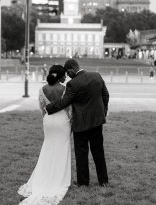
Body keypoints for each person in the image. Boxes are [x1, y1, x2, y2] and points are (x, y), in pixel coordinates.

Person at [45, 59, 109, 187]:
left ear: (72, 69)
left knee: (81, 153)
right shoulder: (96, 76)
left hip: (81, 124)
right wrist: (103, 112)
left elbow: (64, 102)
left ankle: (83, 182)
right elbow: (105, 95)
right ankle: (103, 181)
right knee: (98, 151)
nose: (67, 76)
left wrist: (49, 108)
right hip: (97, 122)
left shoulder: (73, 84)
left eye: (68, 73)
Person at [18, 65, 72, 205]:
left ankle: (44, 176)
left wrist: (47, 120)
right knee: (62, 148)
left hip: (48, 121)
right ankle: (59, 178)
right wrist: (70, 122)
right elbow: (69, 109)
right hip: (62, 121)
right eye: (64, 75)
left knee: (47, 148)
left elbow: (42, 109)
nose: (65, 77)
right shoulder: (65, 89)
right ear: (60, 76)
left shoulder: (42, 89)